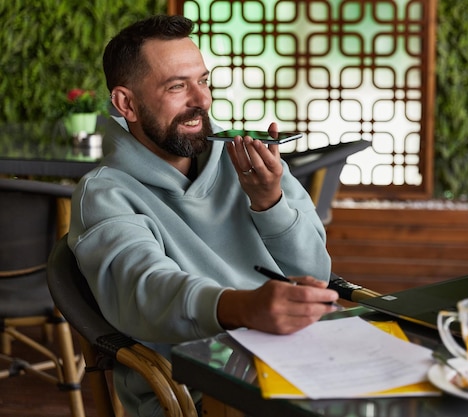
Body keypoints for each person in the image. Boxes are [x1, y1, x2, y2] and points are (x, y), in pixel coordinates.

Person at [67, 14, 337, 417]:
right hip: (190, 391)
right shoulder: (106, 193)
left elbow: (317, 269)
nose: (203, 100)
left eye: (204, 81)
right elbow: (145, 288)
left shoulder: (246, 163)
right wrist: (244, 307)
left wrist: (271, 203)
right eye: (177, 86)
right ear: (127, 103)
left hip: (294, 359)